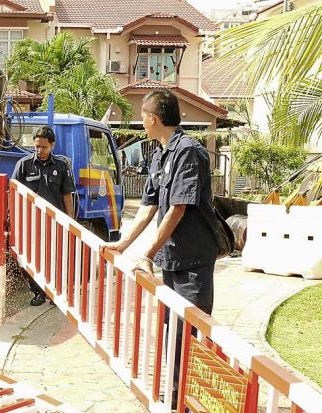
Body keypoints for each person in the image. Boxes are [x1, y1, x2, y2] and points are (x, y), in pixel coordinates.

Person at [104, 89, 218, 408]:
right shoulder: (160, 155)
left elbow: (178, 208)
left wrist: (147, 254)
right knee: (174, 328)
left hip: (193, 259)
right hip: (172, 259)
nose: (141, 121)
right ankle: (177, 395)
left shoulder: (188, 152)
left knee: (191, 330)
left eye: (142, 116)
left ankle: (189, 398)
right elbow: (148, 206)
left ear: (153, 118)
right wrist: (124, 244)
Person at [11, 125, 75, 306]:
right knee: (30, 259)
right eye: (37, 146)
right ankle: (38, 292)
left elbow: (67, 195)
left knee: (55, 259)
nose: (39, 150)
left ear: (52, 145)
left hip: (55, 222)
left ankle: (54, 293)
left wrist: (70, 221)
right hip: (30, 222)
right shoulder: (24, 165)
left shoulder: (61, 166)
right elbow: (13, 192)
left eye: (44, 147)